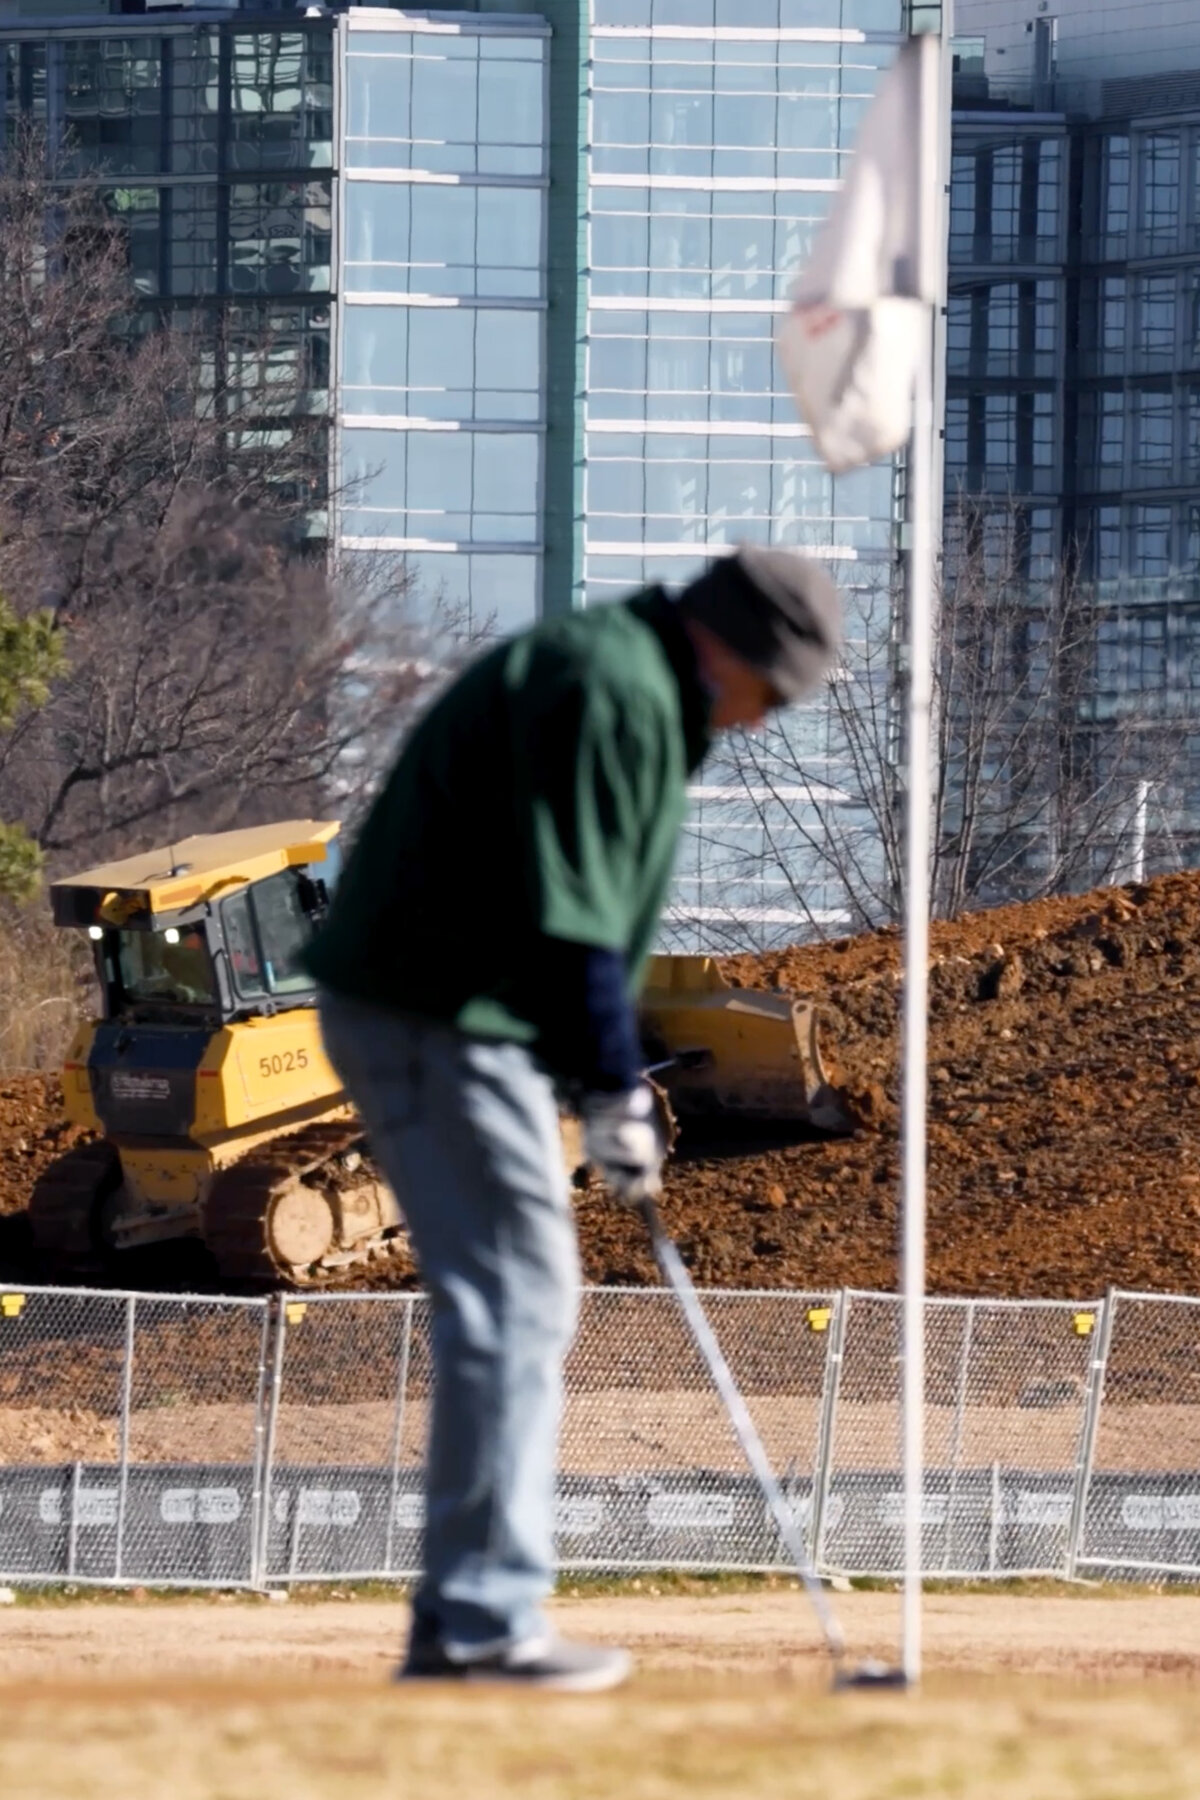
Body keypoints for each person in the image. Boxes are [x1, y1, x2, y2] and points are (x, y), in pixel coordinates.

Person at [307, 545, 840, 1692]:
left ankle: (468, 1614)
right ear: (728, 650)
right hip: (437, 1014)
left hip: (449, 1010)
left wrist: (602, 1080)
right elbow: (579, 927)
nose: (758, 724)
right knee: (519, 1291)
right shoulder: (616, 692)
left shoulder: (620, 678)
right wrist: (613, 1085)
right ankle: (482, 1621)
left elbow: (561, 914)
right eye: (772, 696)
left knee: (522, 1292)